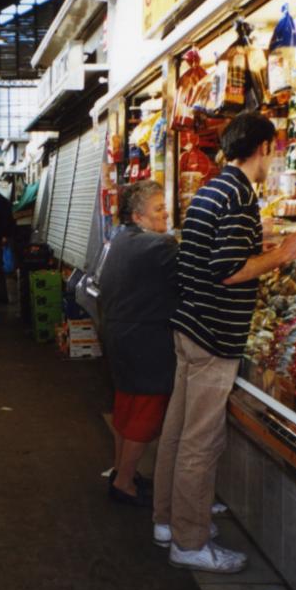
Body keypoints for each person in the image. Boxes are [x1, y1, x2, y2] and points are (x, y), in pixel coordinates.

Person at [152, 112, 296, 573]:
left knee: (177, 433)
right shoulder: (239, 195)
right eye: (272, 150)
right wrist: (282, 254)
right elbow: (228, 269)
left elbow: (215, 253)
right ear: (262, 148)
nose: (272, 158)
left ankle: (169, 521)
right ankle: (190, 541)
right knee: (200, 443)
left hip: (190, 327)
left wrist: (265, 241)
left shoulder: (213, 188)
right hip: (214, 335)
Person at [99, 180, 179, 506]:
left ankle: (123, 471)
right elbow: (203, 267)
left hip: (119, 337)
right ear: (139, 216)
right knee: (145, 413)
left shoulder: (121, 240)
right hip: (145, 342)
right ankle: (123, 484)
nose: (165, 215)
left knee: (126, 406)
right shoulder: (157, 246)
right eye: (159, 209)